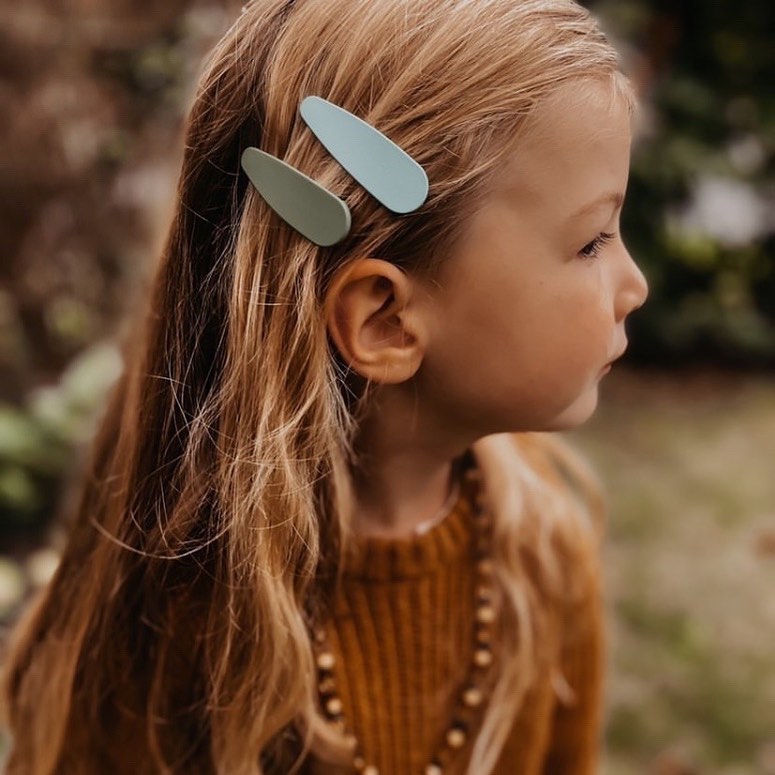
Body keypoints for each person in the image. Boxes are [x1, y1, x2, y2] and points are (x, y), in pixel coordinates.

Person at [0, 0, 649, 773]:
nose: (633, 283)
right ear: (384, 321)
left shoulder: (540, 556)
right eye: (590, 241)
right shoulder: (186, 621)